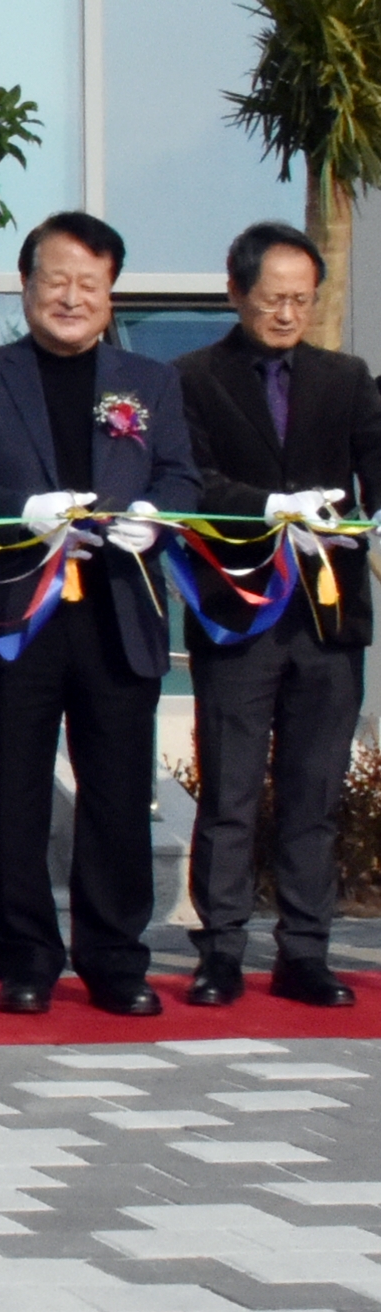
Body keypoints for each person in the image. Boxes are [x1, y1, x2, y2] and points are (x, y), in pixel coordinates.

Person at [0, 211, 198, 1015]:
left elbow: (185, 477)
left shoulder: (150, 383)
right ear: (25, 286)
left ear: (110, 293)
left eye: (91, 283)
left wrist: (155, 517)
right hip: (19, 616)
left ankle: (116, 959)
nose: (72, 297)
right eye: (57, 280)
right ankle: (23, 961)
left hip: (119, 615)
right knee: (13, 795)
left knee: (117, 796)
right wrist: (25, 510)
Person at [171, 221, 381, 1010]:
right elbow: (192, 482)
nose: (288, 314)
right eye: (272, 300)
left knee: (312, 792)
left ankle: (305, 951)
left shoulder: (347, 377)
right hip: (239, 613)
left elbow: (375, 459)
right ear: (236, 292)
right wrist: (268, 508)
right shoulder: (193, 377)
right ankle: (220, 949)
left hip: (329, 619)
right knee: (228, 791)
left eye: (301, 299)